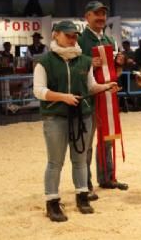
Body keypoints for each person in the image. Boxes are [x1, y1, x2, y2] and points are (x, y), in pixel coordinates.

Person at [33, 20, 119, 222]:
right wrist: (63, 97)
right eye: (68, 35)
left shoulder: (84, 60)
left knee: (80, 159)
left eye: (74, 36)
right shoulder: (44, 61)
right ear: (56, 34)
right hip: (55, 116)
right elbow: (38, 91)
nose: (72, 39)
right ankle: (52, 202)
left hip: (83, 115)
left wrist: (106, 86)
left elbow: (91, 86)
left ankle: (82, 197)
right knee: (55, 161)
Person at [78, 0, 127, 200]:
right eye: (96, 13)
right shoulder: (80, 41)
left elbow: (116, 72)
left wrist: (119, 64)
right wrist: (89, 62)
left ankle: (107, 177)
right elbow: (74, 68)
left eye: (103, 14)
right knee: (87, 142)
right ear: (87, 17)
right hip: (89, 97)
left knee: (107, 139)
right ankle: (85, 183)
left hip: (107, 95)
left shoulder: (109, 39)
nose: (101, 17)